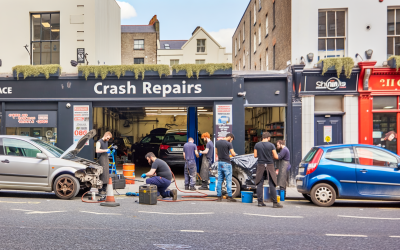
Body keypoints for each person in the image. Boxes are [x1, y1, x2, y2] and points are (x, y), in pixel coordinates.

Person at [254, 132, 282, 208]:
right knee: (272, 183)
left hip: (260, 165)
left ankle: (260, 202)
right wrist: (270, 156)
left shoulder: (257, 145)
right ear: (268, 137)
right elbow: (276, 156)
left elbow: (255, 155)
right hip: (270, 165)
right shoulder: (271, 145)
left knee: (260, 183)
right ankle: (275, 203)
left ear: (262, 137)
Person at [215, 133, 236, 202]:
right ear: (229, 137)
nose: (231, 141)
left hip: (220, 162)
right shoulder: (228, 144)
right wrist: (232, 154)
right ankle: (230, 196)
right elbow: (233, 154)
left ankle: (219, 196)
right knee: (228, 180)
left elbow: (216, 152)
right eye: (231, 139)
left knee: (220, 180)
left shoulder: (217, 143)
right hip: (227, 163)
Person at [96, 131, 112, 198]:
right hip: (101, 159)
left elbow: (106, 150)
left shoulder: (106, 142)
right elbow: (97, 150)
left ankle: (104, 189)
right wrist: (105, 150)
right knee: (102, 174)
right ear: (105, 135)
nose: (108, 140)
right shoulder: (99, 142)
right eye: (107, 138)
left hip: (106, 158)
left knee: (106, 174)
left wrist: (109, 152)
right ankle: (100, 190)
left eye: (109, 139)